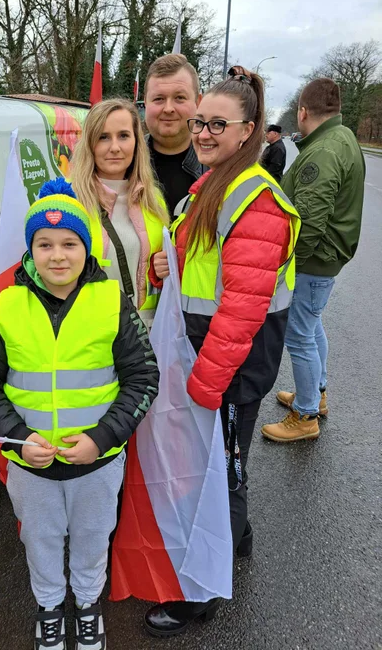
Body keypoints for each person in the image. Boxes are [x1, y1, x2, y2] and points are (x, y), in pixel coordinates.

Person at [0, 177, 159, 650]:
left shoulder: (111, 300)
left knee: (94, 537)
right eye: (44, 244)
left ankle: (88, 605)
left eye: (70, 243)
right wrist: (15, 437)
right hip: (30, 465)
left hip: (98, 461)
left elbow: (144, 377)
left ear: (86, 247)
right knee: (40, 542)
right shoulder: (7, 304)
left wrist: (103, 436)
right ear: (30, 249)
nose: (57, 255)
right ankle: (50, 607)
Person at [145, 66, 301, 637]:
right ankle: (240, 539)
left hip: (228, 367)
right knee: (223, 468)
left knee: (216, 474)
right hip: (213, 360)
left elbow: (240, 310)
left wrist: (206, 386)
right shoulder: (214, 184)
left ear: (248, 130)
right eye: (199, 122)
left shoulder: (254, 201)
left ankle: (200, 593)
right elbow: (204, 268)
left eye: (217, 124)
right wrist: (170, 264)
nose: (203, 132)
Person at [261, 78, 365, 442]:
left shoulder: (322, 151)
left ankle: (305, 415)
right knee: (312, 326)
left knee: (299, 334)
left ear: (303, 113)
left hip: (312, 261)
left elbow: (308, 220)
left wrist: (286, 267)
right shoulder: (343, 138)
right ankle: (315, 394)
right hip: (327, 259)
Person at [70, 98, 169, 329]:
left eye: (123, 136)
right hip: (88, 334)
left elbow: (154, 277)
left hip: (144, 336)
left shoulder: (154, 200)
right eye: (103, 137)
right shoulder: (69, 200)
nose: (114, 147)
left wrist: (160, 270)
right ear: (90, 144)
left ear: (136, 142)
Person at [144, 54, 207, 217]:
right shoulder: (117, 164)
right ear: (145, 102)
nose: (168, 108)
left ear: (198, 102)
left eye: (179, 98)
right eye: (159, 98)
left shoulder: (222, 167)